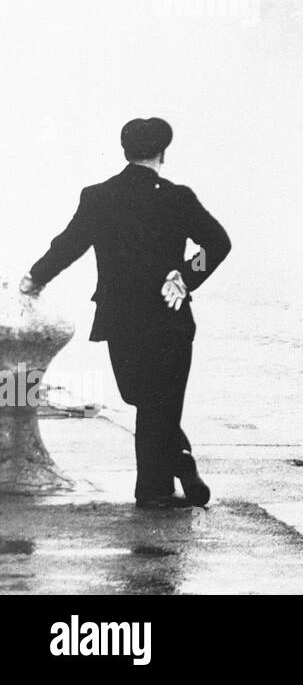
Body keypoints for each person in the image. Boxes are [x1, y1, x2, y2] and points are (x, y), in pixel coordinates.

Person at [18, 118, 230, 509]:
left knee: (144, 399)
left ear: (125, 151)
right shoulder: (177, 197)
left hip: (121, 319)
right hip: (170, 316)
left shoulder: (99, 196)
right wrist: (184, 277)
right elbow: (218, 243)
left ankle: (154, 490)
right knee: (156, 402)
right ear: (162, 153)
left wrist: (35, 277)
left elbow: (68, 245)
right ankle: (177, 464)